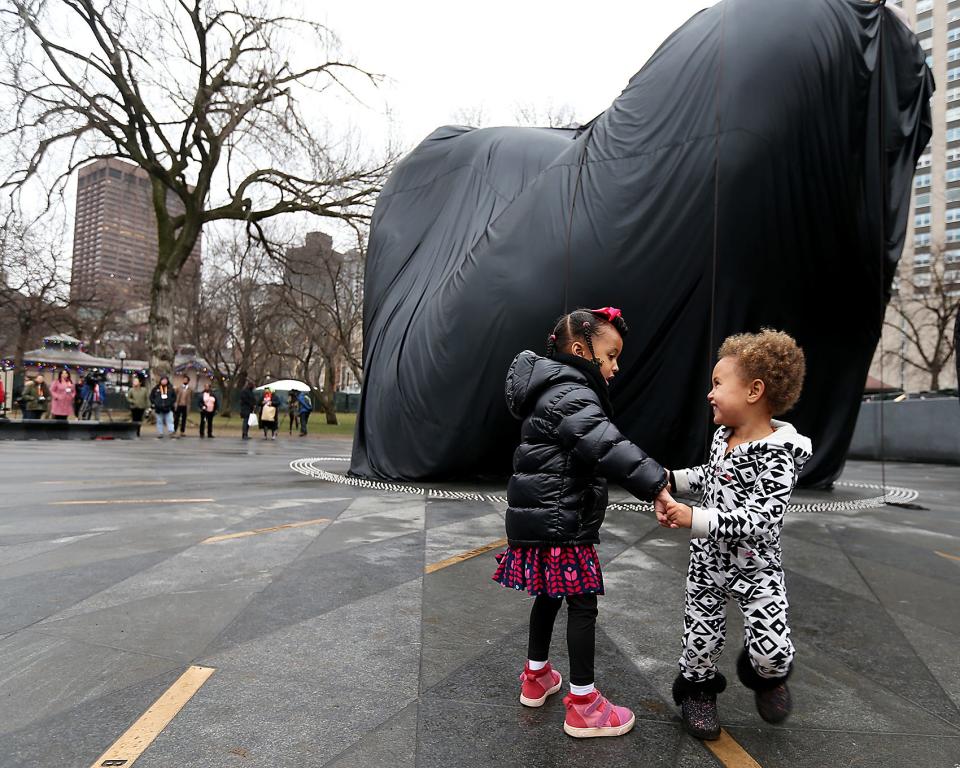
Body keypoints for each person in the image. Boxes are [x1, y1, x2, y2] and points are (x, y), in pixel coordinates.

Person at [493, 307, 671, 739]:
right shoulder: (571, 392)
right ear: (580, 349)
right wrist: (657, 483)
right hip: (562, 519)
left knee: (549, 596)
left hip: (542, 518)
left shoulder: (550, 388)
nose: (615, 367)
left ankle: (536, 678)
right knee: (582, 603)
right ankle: (584, 705)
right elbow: (606, 445)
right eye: (610, 356)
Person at [660, 329, 811, 740]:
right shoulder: (721, 438)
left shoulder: (781, 453)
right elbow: (709, 477)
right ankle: (696, 692)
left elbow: (761, 519)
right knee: (700, 639)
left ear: (754, 391)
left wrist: (694, 518)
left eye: (718, 384)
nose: (710, 393)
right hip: (708, 563)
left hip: (757, 569)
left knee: (772, 652)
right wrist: (670, 479)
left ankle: (766, 676)